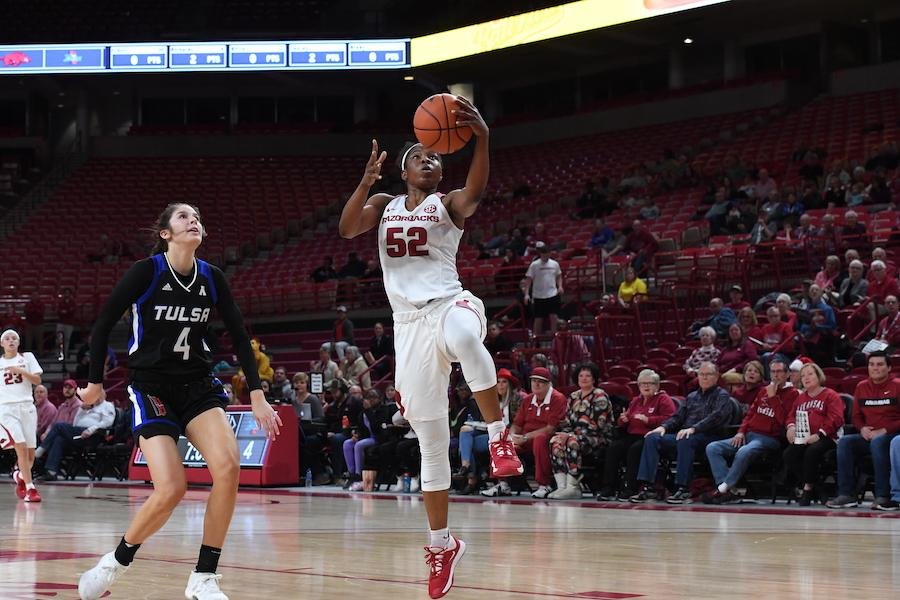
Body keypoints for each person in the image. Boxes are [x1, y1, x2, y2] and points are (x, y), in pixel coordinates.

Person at [338, 103, 524, 598]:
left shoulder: (448, 204)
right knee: (432, 444)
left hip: (449, 304)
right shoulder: (384, 204)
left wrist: (482, 138)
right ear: (403, 170)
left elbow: (475, 192)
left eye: (435, 158)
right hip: (408, 326)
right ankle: (442, 545)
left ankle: (499, 436)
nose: (429, 161)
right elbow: (347, 229)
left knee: (465, 338)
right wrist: (364, 183)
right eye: (419, 156)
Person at [76, 203, 281, 600]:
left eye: (198, 217)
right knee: (172, 488)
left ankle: (204, 576)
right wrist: (95, 382)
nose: (194, 221)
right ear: (166, 233)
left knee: (229, 467)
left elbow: (240, 336)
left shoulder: (212, 277)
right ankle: (114, 563)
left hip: (198, 385)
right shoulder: (146, 271)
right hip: (151, 386)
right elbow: (102, 323)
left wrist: (257, 394)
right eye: (184, 216)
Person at [631, 362, 733, 504]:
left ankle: (683, 488)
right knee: (653, 438)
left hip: (709, 437)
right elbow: (677, 417)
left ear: (716, 377)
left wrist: (694, 429)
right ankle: (649, 487)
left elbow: (716, 417)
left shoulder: (722, 395)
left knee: (686, 438)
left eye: (708, 374)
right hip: (686, 435)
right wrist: (663, 427)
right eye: (701, 374)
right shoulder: (691, 396)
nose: (704, 377)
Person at [703, 357, 797, 504]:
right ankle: (729, 490)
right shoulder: (764, 391)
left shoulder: (793, 394)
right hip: (749, 435)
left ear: (787, 374)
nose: (775, 375)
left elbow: (784, 421)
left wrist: (773, 398)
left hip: (770, 438)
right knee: (713, 447)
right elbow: (750, 414)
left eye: (779, 371)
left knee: (744, 451)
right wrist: (741, 432)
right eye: (773, 371)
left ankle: (723, 489)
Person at [826, 351, 900, 509]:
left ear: (889, 368)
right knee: (845, 442)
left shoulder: (897, 386)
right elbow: (856, 416)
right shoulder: (862, 386)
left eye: (880, 364)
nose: (875, 368)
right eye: (871, 365)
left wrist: (885, 430)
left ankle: (882, 495)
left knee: (878, 442)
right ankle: (846, 494)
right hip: (869, 435)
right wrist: (862, 429)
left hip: (892, 436)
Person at [481, 367, 566, 499]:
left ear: (548, 384)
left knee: (540, 439)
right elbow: (517, 424)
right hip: (525, 438)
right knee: (500, 439)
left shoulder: (557, 398)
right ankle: (502, 484)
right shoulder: (528, 399)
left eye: (540, 382)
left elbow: (551, 428)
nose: (536, 384)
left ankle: (544, 485)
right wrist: (511, 436)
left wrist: (525, 437)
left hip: (546, 438)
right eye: (534, 381)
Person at [598, 369, 676, 501]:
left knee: (635, 450)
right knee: (613, 448)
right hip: (632, 434)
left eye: (650, 383)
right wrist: (623, 420)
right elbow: (624, 420)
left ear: (657, 385)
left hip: (651, 437)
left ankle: (630, 488)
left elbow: (671, 420)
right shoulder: (635, 400)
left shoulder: (663, 399)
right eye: (642, 383)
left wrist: (648, 420)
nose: (646, 386)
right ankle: (609, 487)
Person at [547, 363, 615, 499]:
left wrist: (569, 435)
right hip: (575, 436)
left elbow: (596, 426)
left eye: (588, 376)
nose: (584, 378)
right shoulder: (573, 396)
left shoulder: (600, 396)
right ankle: (562, 486)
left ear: (594, 379)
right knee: (555, 441)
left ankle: (573, 487)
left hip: (598, 437)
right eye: (581, 376)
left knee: (571, 441)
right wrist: (564, 433)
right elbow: (567, 422)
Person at [782, 362, 844, 506]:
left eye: (810, 374)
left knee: (812, 451)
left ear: (818, 376)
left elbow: (836, 418)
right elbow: (791, 416)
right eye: (803, 375)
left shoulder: (831, 395)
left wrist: (819, 435)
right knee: (789, 454)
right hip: (805, 436)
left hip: (828, 436)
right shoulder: (800, 398)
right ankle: (819, 487)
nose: (806, 378)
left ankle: (808, 489)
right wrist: (791, 427)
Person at [0, 329, 44, 502]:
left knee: (30, 456)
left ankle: (19, 476)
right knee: (21, 446)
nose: (11, 340)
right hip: (6, 409)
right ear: (2, 343)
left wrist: (21, 371)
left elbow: (37, 381)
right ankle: (30, 489)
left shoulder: (28, 357)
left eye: (14, 338)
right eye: (7, 338)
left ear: (18, 342)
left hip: (27, 408)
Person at [35, 389, 115, 482]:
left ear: (102, 396)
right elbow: (75, 423)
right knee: (59, 440)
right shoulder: (88, 406)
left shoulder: (107, 406)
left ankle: (41, 449)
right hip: (78, 434)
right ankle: (51, 472)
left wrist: (90, 430)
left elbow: (107, 422)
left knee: (58, 426)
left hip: (93, 436)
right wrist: (81, 410)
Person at [522, 241, 564, 336]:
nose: (546, 256)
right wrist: (526, 294)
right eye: (544, 254)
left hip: (552, 294)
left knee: (554, 317)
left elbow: (559, 276)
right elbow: (528, 279)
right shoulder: (534, 265)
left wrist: (560, 286)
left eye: (548, 254)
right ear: (540, 254)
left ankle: (554, 337)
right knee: (538, 318)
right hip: (538, 296)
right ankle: (536, 338)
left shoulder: (555, 264)